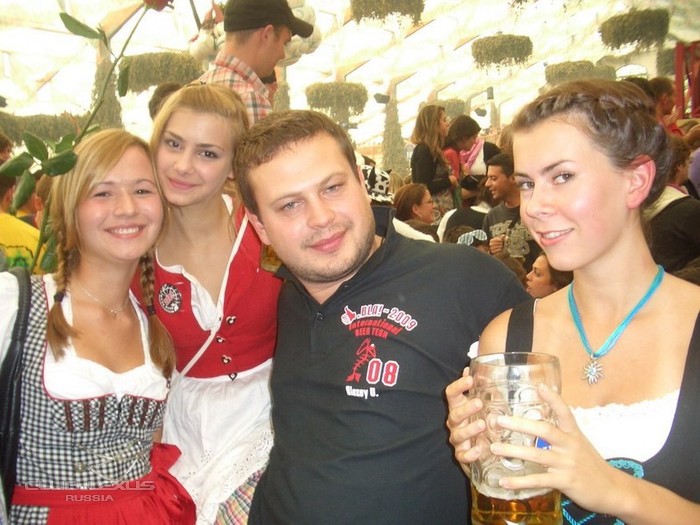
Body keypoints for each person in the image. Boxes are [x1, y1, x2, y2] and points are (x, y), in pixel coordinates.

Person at [232, 109, 530, 524]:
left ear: (360, 181)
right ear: (260, 226)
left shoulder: (465, 279)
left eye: (332, 187)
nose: (321, 218)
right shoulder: (285, 297)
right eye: (290, 205)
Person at [446, 79, 700, 523]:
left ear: (636, 180)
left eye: (562, 177)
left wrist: (610, 488)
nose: (534, 206)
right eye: (527, 184)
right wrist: (481, 460)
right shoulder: (507, 338)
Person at [0, 129, 195, 523]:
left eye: (142, 190)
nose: (127, 208)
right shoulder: (16, 304)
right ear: (70, 207)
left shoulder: (155, 326)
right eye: (103, 193)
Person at [148, 83, 283, 523]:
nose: (183, 166)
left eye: (207, 153)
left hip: (272, 414)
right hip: (188, 429)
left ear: (232, 166)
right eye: (173, 144)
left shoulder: (265, 225)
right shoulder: (137, 250)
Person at [198, 0, 313, 125]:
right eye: (284, 43)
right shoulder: (250, 100)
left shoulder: (197, 87)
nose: (282, 54)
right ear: (267, 35)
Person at [646, 134, 700, 272]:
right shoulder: (689, 210)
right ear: (679, 166)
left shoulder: (643, 202)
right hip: (681, 279)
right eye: (688, 162)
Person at [482, 152, 539, 271]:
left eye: (493, 178)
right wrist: (492, 251)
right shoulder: (491, 216)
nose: (487, 184)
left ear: (513, 178)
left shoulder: (537, 209)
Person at [410, 104, 458, 220]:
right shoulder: (424, 151)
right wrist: (449, 181)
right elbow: (423, 185)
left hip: (442, 213)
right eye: (444, 120)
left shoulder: (434, 150)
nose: (447, 123)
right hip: (434, 216)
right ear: (433, 125)